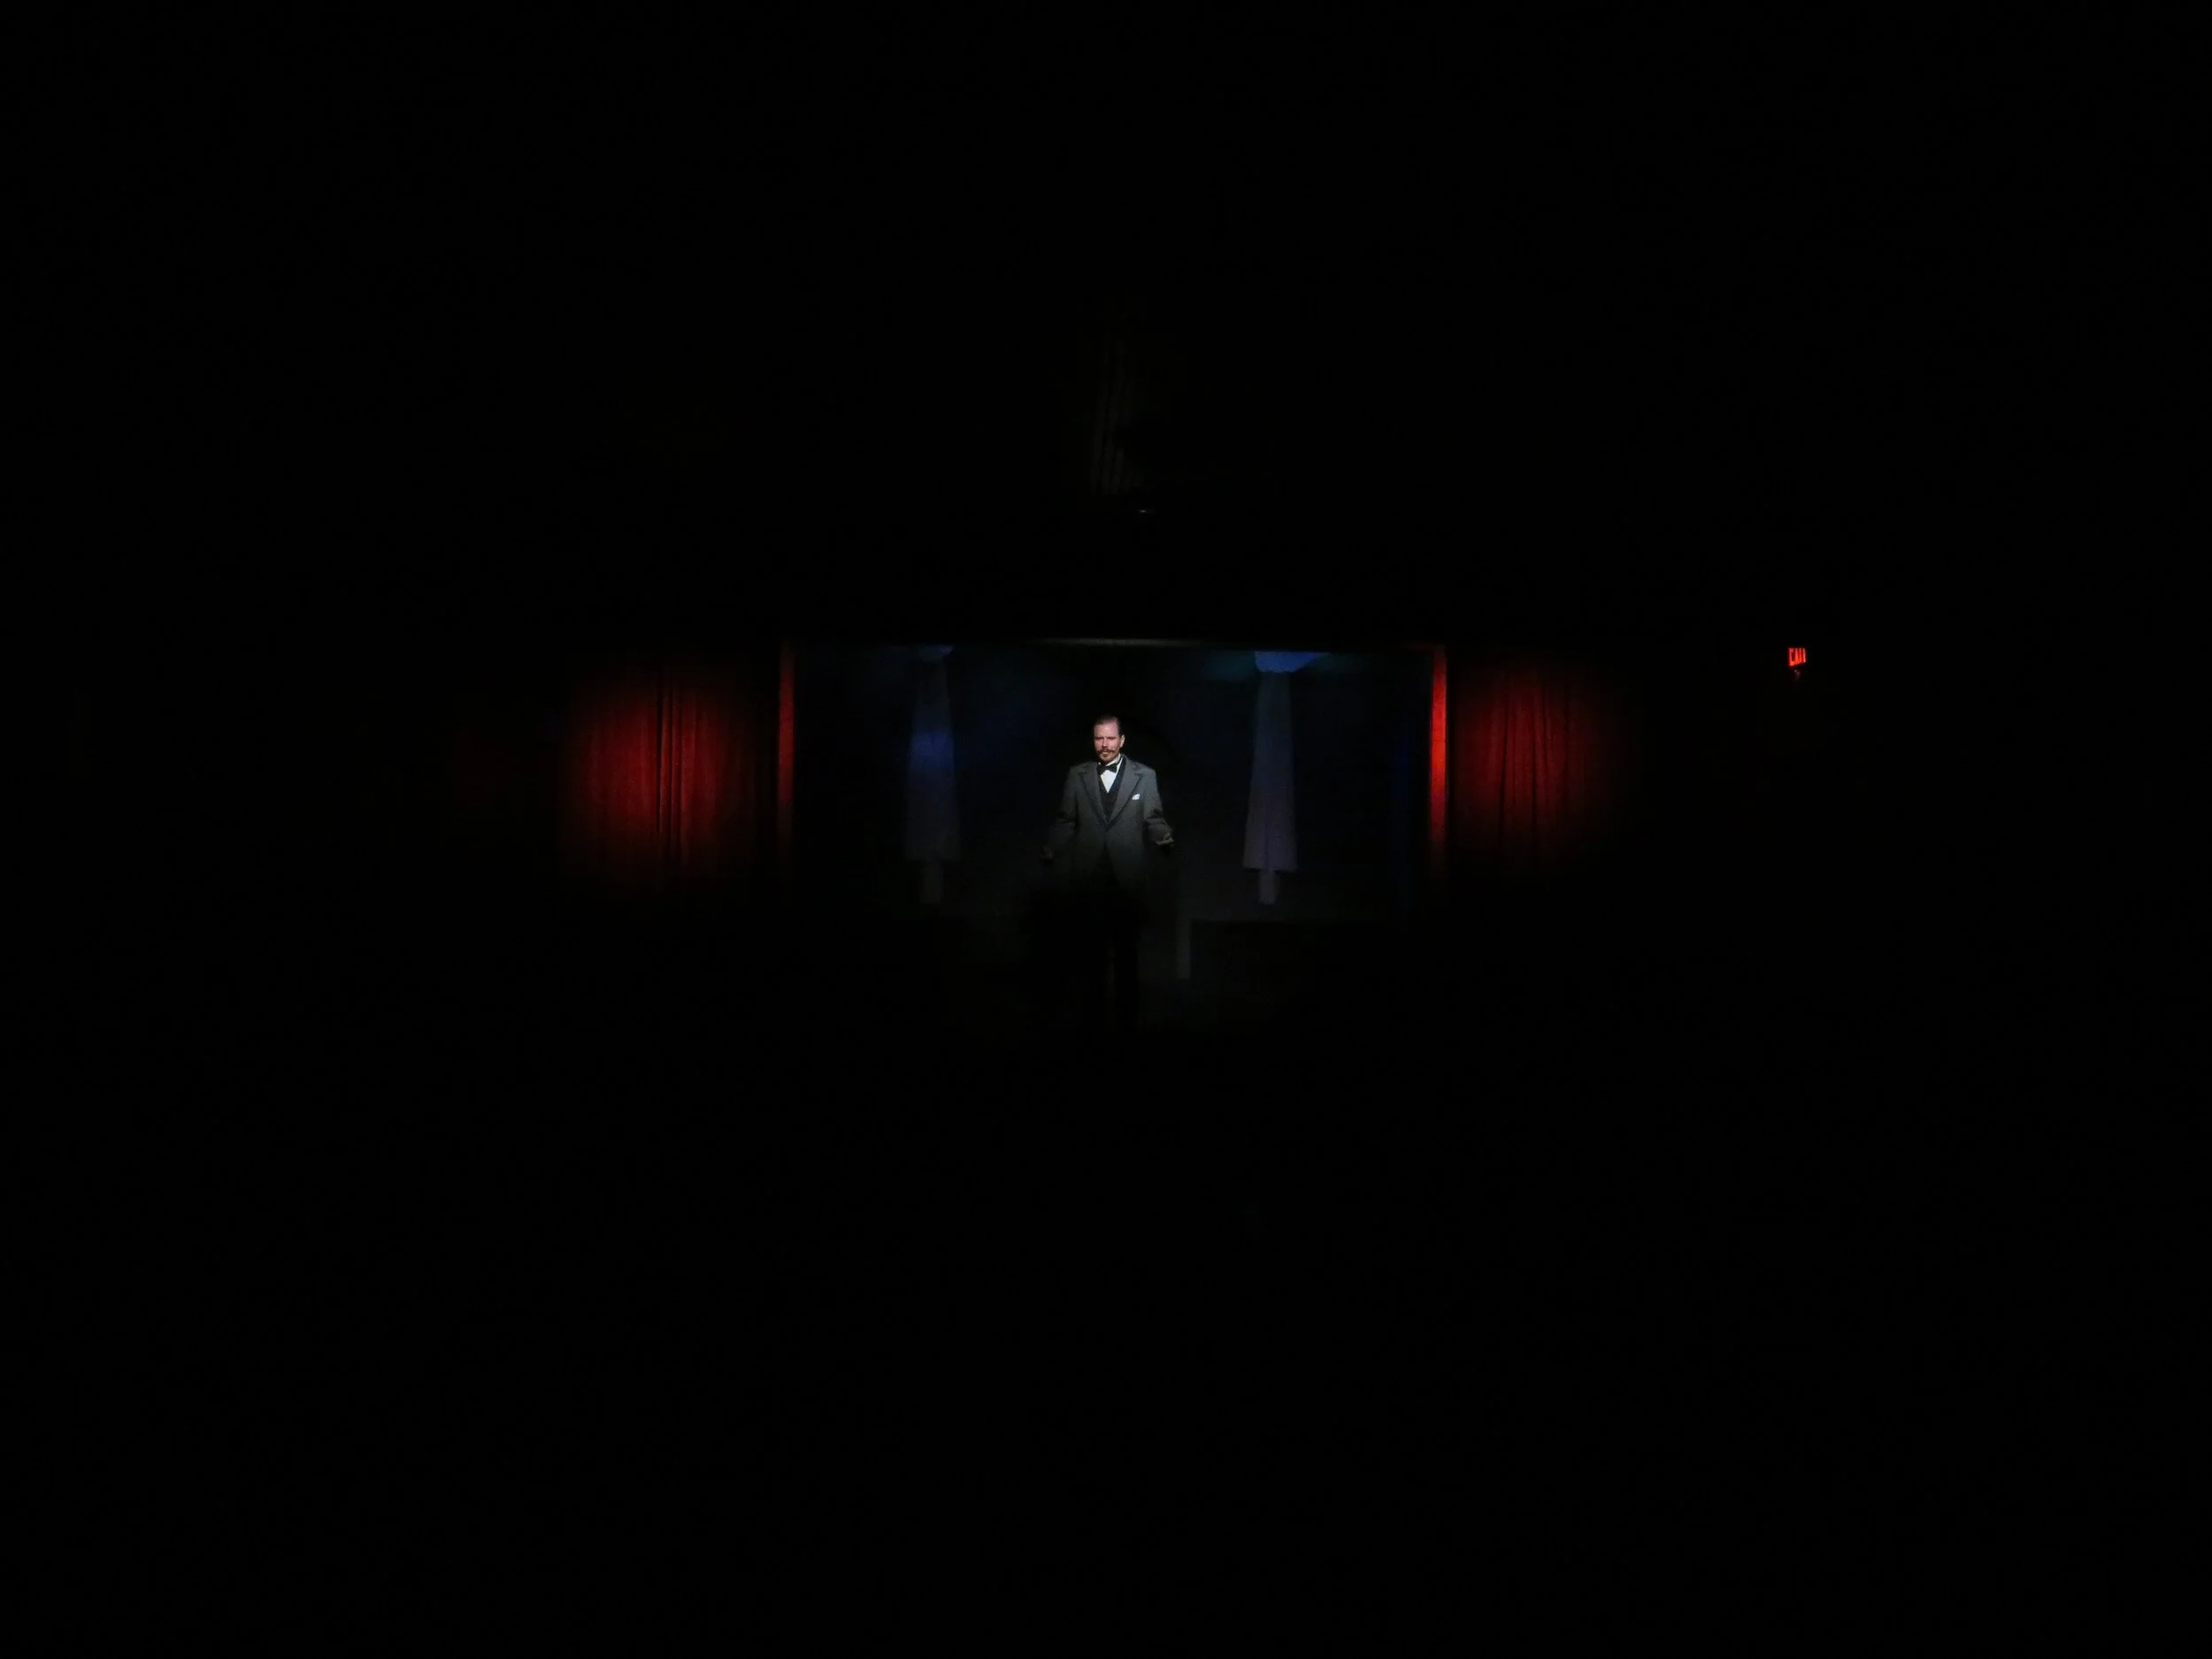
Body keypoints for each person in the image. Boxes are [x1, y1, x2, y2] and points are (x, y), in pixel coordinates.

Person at [1041, 713, 1174, 1029]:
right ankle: (1093, 1016)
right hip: (1089, 876)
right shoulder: (1078, 775)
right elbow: (1066, 819)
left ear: (1122, 740)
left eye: (1110, 738)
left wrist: (1163, 836)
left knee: (1127, 950)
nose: (1104, 745)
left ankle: (1128, 1016)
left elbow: (1153, 817)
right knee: (1091, 951)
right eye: (1099, 738)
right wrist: (1051, 846)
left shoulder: (1145, 775)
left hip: (1126, 877)